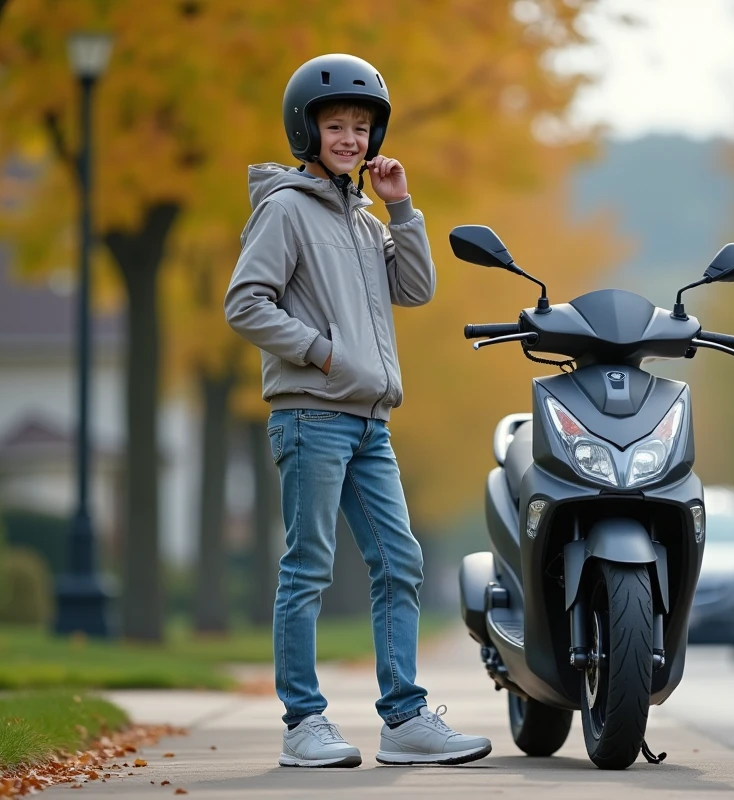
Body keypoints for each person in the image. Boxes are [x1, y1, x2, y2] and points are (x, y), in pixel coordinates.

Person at [224, 53, 492, 768]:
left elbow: (416, 288)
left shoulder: (365, 218)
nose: (350, 137)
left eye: (361, 127)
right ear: (305, 129)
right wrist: (319, 352)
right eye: (336, 125)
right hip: (312, 416)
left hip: (371, 423)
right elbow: (244, 303)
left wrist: (402, 207)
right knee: (308, 566)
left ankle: (404, 719)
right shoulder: (284, 210)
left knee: (400, 560)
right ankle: (303, 724)